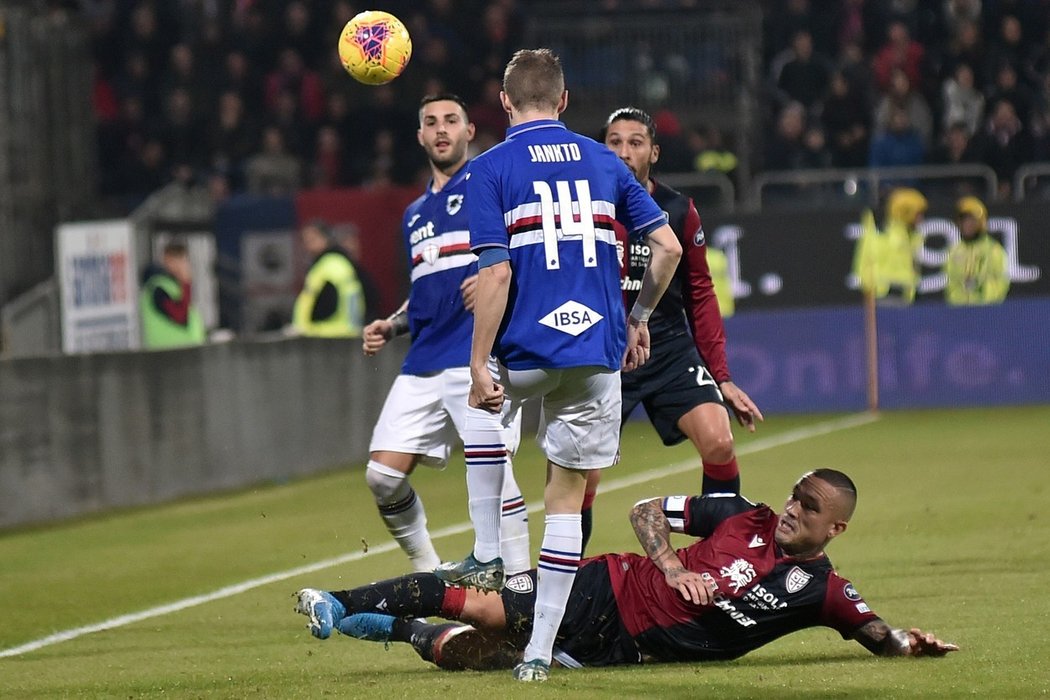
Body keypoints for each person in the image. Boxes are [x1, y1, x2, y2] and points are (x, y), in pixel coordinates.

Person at [432, 49, 683, 681]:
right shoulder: (604, 161)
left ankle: (493, 552)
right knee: (566, 500)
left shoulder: (489, 169)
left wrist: (478, 362)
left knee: (486, 417)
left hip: (528, 354)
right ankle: (540, 653)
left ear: (505, 102)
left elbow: (494, 273)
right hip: (597, 354)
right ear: (566, 102)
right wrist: (638, 319)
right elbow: (668, 246)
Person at [294, 468, 959, 670]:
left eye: (808, 508)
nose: (790, 509)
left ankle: (383, 626)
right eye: (793, 496)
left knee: (470, 655)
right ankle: (337, 597)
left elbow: (881, 638)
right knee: (478, 604)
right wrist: (670, 566)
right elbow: (646, 509)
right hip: (603, 591)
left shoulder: (823, 591)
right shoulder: (735, 513)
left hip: (624, 654)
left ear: (834, 528)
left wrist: (911, 644)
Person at [359, 93, 530, 575]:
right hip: (423, 359)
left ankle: (519, 583)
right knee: (382, 477)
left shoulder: (490, 183)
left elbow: (531, 246)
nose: (441, 129)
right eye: (430, 122)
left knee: (496, 470)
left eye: (451, 120)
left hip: (475, 354)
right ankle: (429, 570)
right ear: (419, 136)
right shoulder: (414, 214)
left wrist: (502, 272)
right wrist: (391, 325)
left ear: (469, 132)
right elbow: (426, 290)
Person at [579, 107, 762, 552]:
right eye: (614, 141)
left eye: (635, 142)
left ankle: (723, 559)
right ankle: (564, 590)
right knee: (582, 476)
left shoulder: (678, 211)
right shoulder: (582, 210)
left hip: (666, 347)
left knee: (719, 440)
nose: (624, 151)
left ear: (653, 152)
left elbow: (700, 294)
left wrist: (722, 377)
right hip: (603, 351)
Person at [852, 188, 927, 305]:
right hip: (883, 296)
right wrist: (869, 288)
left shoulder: (913, 236)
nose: (921, 219)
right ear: (907, 212)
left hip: (905, 297)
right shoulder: (886, 234)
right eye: (918, 214)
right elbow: (864, 263)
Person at [292, 219, 366, 338]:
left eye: (311, 239)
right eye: (305, 241)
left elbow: (322, 299)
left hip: (327, 334)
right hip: (341, 332)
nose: (307, 245)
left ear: (324, 238)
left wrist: (306, 327)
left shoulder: (328, 265)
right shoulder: (339, 262)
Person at [140, 240, 206, 349]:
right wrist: (186, 284)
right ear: (167, 260)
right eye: (179, 260)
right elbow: (180, 315)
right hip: (169, 353)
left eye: (185, 261)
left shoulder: (173, 286)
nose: (184, 266)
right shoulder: (158, 288)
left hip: (182, 350)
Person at [944, 196, 1009, 306]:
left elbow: (1000, 282)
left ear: (981, 222)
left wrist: (988, 304)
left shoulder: (993, 249)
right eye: (964, 220)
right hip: (960, 312)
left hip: (987, 310)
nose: (968, 225)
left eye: (972, 220)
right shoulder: (954, 251)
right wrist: (956, 305)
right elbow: (951, 283)